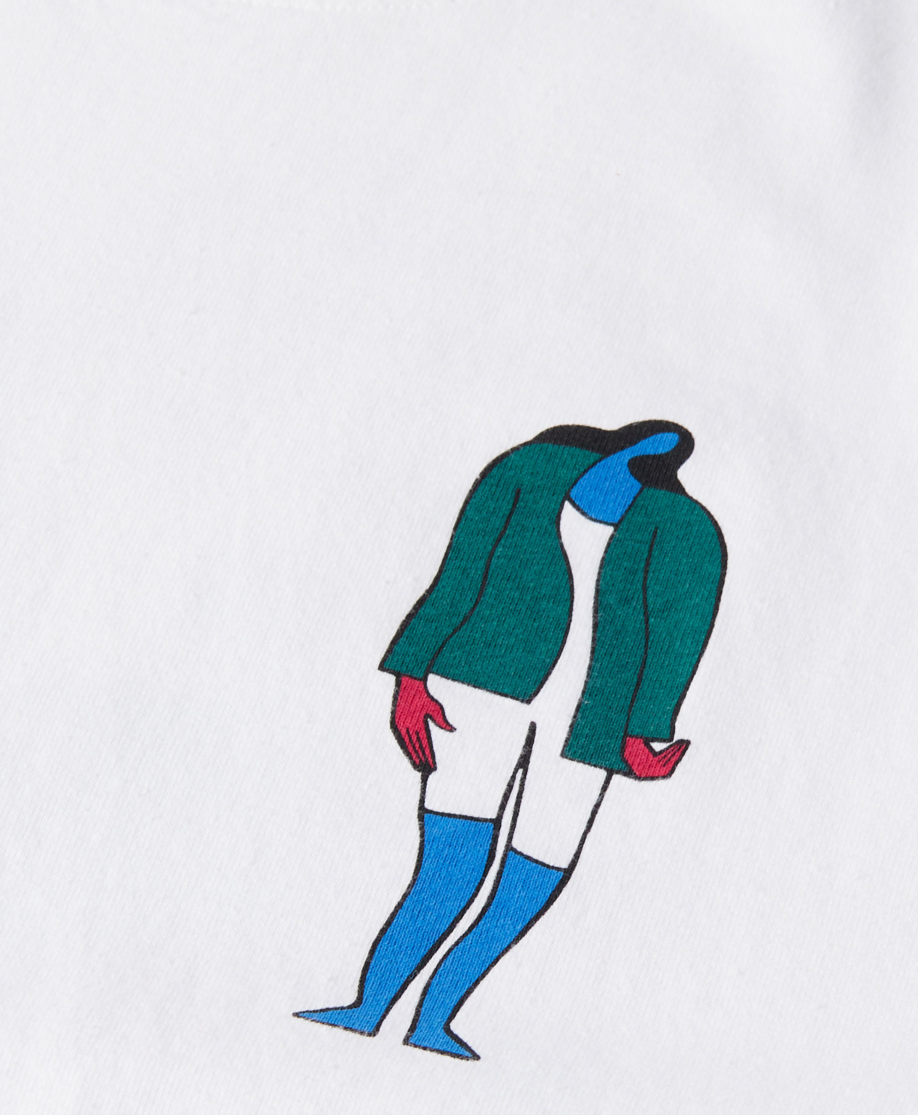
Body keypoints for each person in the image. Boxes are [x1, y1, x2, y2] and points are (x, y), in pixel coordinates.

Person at [296, 421, 726, 1060]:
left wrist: (644, 728)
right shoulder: (527, 471)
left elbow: (678, 634)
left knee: (532, 879)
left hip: (593, 724)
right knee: (450, 863)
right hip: (483, 686)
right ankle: (367, 1006)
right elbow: (459, 574)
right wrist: (411, 674)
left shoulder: (686, 530)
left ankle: (433, 1020)